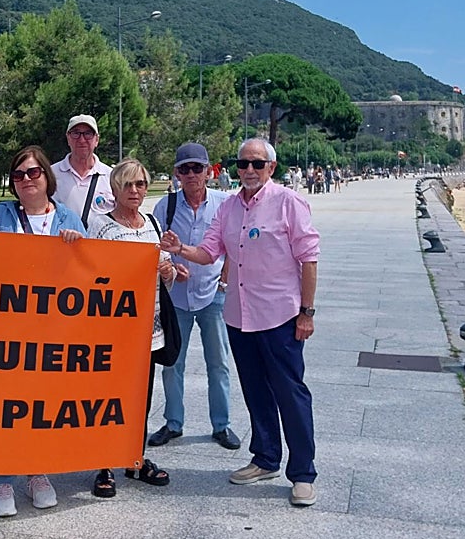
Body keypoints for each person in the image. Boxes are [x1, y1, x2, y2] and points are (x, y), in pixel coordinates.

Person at [160, 138, 321, 508]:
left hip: (281, 315)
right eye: (242, 163)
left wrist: (307, 313)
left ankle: (303, 472)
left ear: (271, 168)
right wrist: (180, 249)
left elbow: (309, 259)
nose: (249, 170)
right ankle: (265, 458)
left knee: (290, 393)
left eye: (257, 163)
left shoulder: (288, 202)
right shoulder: (229, 208)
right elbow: (210, 251)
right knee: (255, 391)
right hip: (240, 315)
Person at [0, 145, 86, 517]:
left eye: (33, 173)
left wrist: (78, 246)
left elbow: (89, 269)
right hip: (6, 329)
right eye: (19, 175)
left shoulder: (68, 216)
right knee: (5, 405)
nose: (26, 180)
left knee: (41, 404)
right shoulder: (0, 215)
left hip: (52, 330)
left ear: (46, 177)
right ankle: (3, 478)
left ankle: (37, 471)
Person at [86, 158, 177, 499]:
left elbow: (160, 274)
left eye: (140, 183)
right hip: (113, 330)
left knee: (141, 396)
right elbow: (92, 276)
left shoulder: (151, 223)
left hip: (149, 328)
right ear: (115, 189)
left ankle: (134, 457)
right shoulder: (102, 227)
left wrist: (167, 273)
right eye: (128, 184)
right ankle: (104, 463)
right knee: (108, 396)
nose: (135, 190)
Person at [150, 143, 239, 451]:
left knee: (219, 362)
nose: (191, 174)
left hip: (213, 294)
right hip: (176, 297)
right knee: (173, 362)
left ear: (209, 171)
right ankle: (173, 423)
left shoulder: (224, 204)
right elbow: (154, 247)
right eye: (184, 169)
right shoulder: (166, 207)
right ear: (176, 173)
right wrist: (172, 265)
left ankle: (221, 425)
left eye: (197, 168)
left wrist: (226, 275)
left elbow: (234, 244)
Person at [52, 114, 114, 227]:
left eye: (88, 134)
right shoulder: (50, 175)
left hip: (101, 243)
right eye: (76, 133)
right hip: (62, 243)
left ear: (97, 140)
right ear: (68, 138)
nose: (81, 140)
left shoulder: (112, 177)